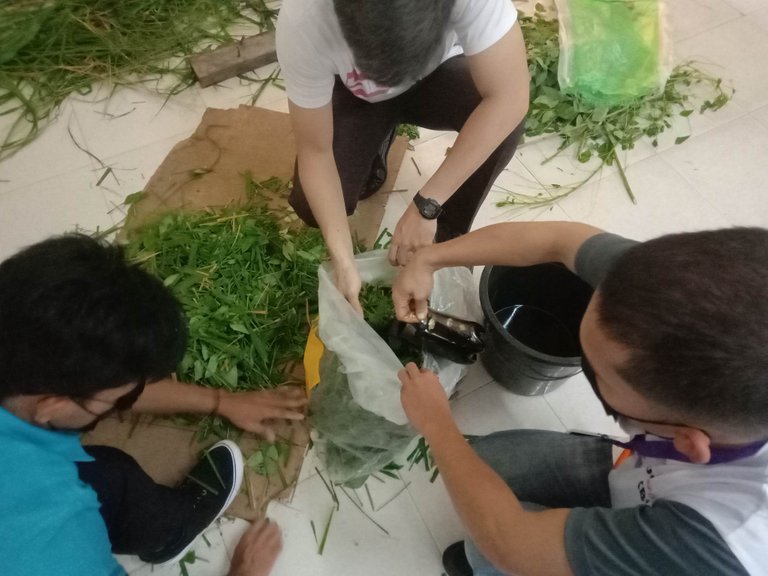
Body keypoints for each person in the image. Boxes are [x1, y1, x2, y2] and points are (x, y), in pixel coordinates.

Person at [392, 221, 768, 576]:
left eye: (598, 376)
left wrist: (436, 425)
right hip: (645, 471)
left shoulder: (711, 542)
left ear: (688, 440)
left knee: (495, 548)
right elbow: (557, 240)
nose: (586, 370)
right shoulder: (671, 297)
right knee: (489, 462)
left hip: (661, 545)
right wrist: (429, 258)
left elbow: (511, 542)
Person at [0, 234, 306, 576]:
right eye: (120, 398)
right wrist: (245, 572)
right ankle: (168, 533)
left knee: (114, 473)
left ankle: (166, 531)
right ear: (51, 405)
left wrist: (222, 400)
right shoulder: (54, 547)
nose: (127, 400)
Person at [275, 0, 529, 312]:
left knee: (503, 125)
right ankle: (378, 136)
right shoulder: (305, 18)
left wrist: (427, 206)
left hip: (440, 77)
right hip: (359, 96)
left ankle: (448, 238)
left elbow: (511, 97)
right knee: (312, 205)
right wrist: (343, 262)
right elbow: (316, 151)